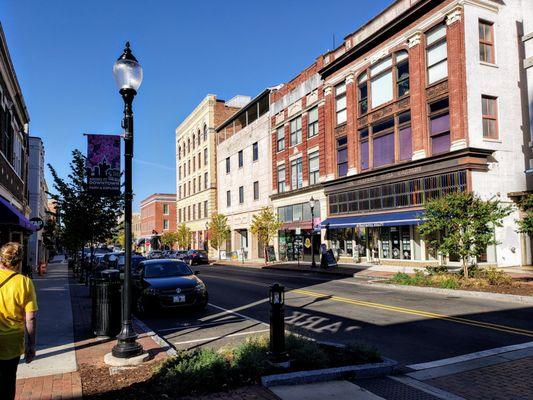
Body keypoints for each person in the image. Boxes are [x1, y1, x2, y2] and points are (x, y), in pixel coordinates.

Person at [0, 242, 38, 400]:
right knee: (8, 383)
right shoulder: (25, 282)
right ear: (20, 261)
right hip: (12, 342)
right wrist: (31, 345)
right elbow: (31, 318)